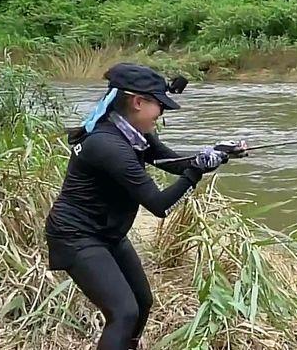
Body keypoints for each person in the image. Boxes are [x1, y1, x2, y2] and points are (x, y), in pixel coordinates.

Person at [44, 63, 240, 349]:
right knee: (123, 313)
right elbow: (159, 205)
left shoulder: (133, 134)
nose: (161, 115)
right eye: (160, 106)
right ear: (138, 102)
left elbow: (172, 163)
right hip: (76, 236)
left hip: (108, 233)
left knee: (142, 303)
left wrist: (217, 153)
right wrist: (196, 172)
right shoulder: (108, 145)